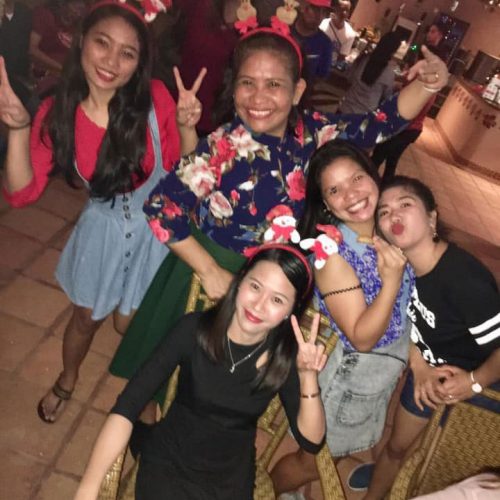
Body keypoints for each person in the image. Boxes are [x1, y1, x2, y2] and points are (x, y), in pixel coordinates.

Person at [110, 23, 449, 419]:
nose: (258, 97)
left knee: (220, 385)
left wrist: (428, 85)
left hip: (272, 282)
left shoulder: (315, 133)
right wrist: (210, 270)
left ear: (297, 90)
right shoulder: (223, 145)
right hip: (207, 271)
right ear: (234, 88)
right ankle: (146, 437)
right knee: (161, 370)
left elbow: (377, 124)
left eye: (274, 84)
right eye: (247, 83)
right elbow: (161, 207)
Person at [0, 0, 205, 423]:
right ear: (81, 42)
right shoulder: (57, 111)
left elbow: (184, 174)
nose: (111, 61)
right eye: (102, 43)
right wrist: (18, 129)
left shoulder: (156, 99)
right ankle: (68, 378)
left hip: (155, 232)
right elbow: (21, 193)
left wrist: (188, 127)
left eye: (127, 53)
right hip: (104, 229)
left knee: (131, 325)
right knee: (85, 318)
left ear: (139, 62)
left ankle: (141, 388)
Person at [75, 245, 327, 500]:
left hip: (229, 476)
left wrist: (308, 377)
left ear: (290, 311)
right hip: (169, 460)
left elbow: (311, 441)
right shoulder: (193, 329)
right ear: (240, 281)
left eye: (277, 300)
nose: (259, 305)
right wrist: (88, 488)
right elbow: (127, 406)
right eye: (255, 286)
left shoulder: (283, 357)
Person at [270, 139, 415, 495]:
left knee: (331, 456)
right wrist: (392, 281)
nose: (351, 194)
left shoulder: (387, 228)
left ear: (374, 175)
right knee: (310, 462)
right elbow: (361, 337)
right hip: (352, 378)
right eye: (334, 190)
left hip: (380, 372)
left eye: (357, 178)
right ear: (325, 203)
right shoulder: (333, 256)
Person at [363, 176, 500, 500]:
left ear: (432, 218)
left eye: (405, 204)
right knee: (396, 448)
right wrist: (419, 364)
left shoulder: (464, 279)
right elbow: (405, 323)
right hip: (428, 372)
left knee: (447, 467)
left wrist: (474, 382)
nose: (394, 216)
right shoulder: (398, 267)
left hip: (483, 381)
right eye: (384, 212)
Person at [371, 23, 446, 183]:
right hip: (411, 129)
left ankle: (373, 188)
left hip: (405, 127)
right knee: (390, 161)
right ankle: (384, 189)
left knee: (377, 158)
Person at [29, 0, 87, 97]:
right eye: (76, 7)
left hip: (68, 78)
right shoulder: (45, 15)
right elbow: (32, 50)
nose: (78, 13)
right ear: (64, 3)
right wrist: (62, 69)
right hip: (45, 74)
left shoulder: (78, 25)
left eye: (81, 9)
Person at [338, 31, 402, 114]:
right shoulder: (389, 72)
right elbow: (387, 96)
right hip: (364, 115)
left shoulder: (363, 59)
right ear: (394, 51)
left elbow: (349, 77)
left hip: (346, 107)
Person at [292, 0, 333, 83]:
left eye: (324, 12)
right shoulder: (282, 29)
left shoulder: (325, 44)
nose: (319, 16)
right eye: (316, 9)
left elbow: (320, 77)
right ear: (303, 7)